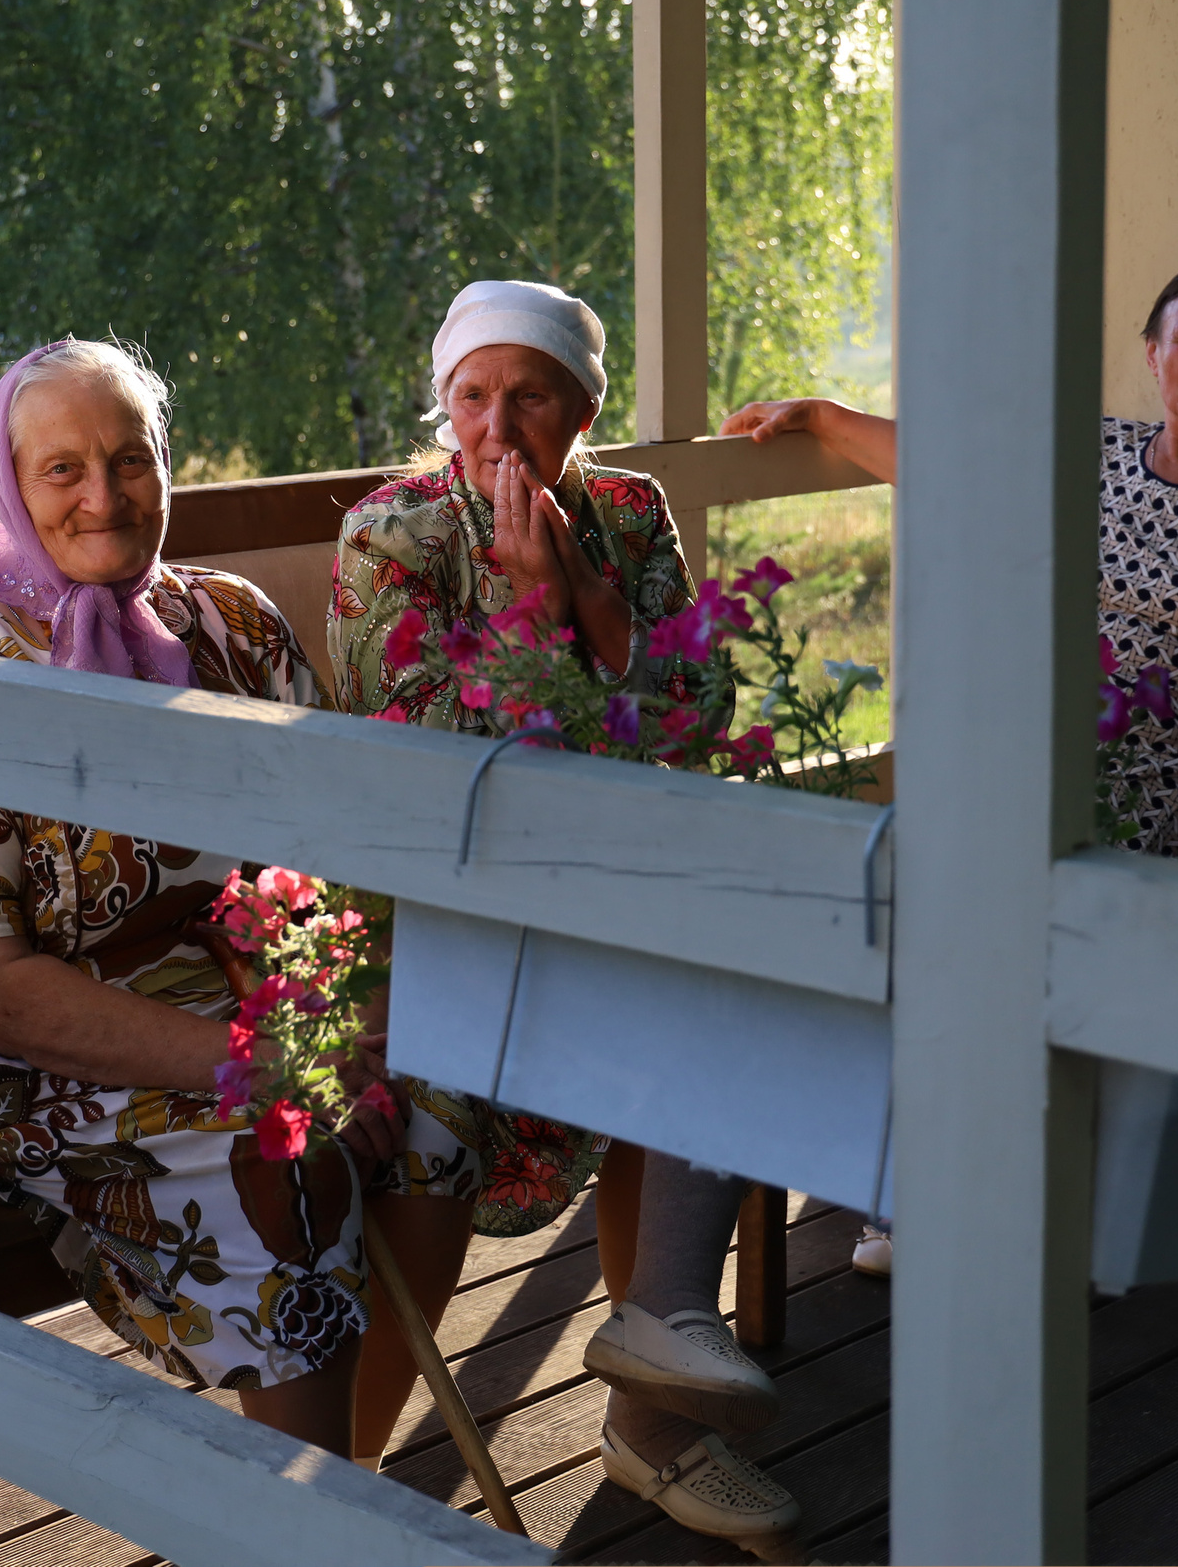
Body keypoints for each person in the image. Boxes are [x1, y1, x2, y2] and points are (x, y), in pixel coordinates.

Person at [0, 339, 479, 1463]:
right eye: (62, 469)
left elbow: (326, 857)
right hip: (17, 1022)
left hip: (228, 976)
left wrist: (334, 1014)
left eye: (130, 459)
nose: (103, 495)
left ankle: (332, 1490)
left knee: (436, 1103)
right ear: (10, 479)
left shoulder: (226, 624)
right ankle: (302, 1521)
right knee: (285, 1158)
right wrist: (251, 1062)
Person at [724, 260, 1178, 1276]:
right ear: (1152, 354)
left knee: (1034, 897)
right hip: (1055, 752)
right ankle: (928, 1171)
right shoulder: (1098, 452)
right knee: (938, 883)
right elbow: (958, 459)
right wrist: (827, 416)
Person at [332, 281, 799, 1556]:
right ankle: (337, 1480)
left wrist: (584, 595)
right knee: (429, 1113)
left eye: (529, 394)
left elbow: (699, 719)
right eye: (473, 395)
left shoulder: (631, 514)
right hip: (443, 915)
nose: (497, 422)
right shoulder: (392, 533)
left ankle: (653, 1413)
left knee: (712, 1013)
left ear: (583, 409)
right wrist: (548, 626)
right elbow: (424, 751)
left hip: (601, 893)